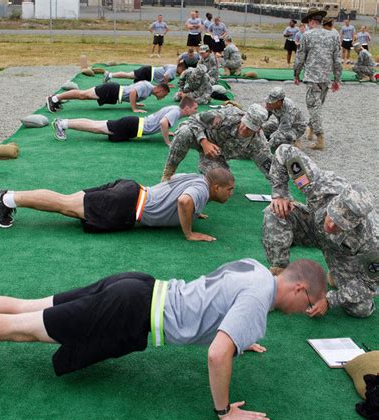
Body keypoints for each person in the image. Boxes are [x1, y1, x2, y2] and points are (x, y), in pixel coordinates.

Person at [0, 257, 327, 420]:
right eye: (310, 304)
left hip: (138, 285)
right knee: (24, 327)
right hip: (129, 313)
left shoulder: (256, 270)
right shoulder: (258, 301)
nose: (305, 311)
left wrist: (239, 336)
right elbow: (218, 352)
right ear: (300, 290)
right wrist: (223, 411)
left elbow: (218, 299)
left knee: (25, 306)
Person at [263, 144, 378, 318]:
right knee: (275, 212)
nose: (330, 226)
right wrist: (280, 193)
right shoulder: (318, 184)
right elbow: (285, 152)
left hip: (341, 254)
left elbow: (369, 285)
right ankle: (279, 278)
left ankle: (337, 276)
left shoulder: (372, 240)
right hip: (311, 226)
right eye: (331, 217)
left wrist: (331, 300)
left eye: (339, 225)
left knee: (361, 309)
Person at [0, 168, 235, 242]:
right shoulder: (201, 190)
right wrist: (189, 233)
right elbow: (183, 200)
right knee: (64, 204)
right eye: (229, 189)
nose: (231, 194)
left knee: (66, 201)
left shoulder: (198, 179)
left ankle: (9, 198)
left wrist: (195, 212)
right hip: (128, 204)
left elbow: (172, 181)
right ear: (216, 187)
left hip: (131, 190)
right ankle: (6, 198)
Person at [161, 104, 272, 182]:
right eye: (244, 124)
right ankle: (168, 174)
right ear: (243, 117)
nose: (244, 129)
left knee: (222, 181)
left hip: (216, 155)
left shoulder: (259, 143)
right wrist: (204, 142)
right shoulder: (227, 116)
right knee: (184, 132)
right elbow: (193, 120)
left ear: (258, 129)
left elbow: (271, 170)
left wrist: (280, 196)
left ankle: (204, 173)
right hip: (200, 137)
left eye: (249, 129)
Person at [51, 96, 198, 147]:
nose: (195, 111)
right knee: (95, 127)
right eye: (194, 108)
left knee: (96, 124)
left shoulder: (174, 109)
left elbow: (161, 121)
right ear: (187, 108)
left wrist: (166, 131)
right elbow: (163, 123)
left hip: (133, 124)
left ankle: (64, 123)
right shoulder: (176, 112)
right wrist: (167, 141)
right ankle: (62, 123)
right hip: (133, 125)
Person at [294, 8, 342, 150]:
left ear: (311, 21)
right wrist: (336, 79)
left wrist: (296, 75)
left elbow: (300, 58)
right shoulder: (333, 36)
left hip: (313, 78)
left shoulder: (307, 36)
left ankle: (320, 138)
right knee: (317, 106)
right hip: (325, 79)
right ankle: (311, 130)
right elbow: (337, 60)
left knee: (313, 107)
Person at [46, 81, 169, 114]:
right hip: (112, 91)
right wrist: (134, 109)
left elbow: (133, 93)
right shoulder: (147, 86)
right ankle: (54, 98)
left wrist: (136, 104)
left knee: (83, 96)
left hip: (114, 94)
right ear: (160, 89)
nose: (163, 97)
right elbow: (132, 92)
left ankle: (56, 99)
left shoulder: (148, 91)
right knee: (82, 94)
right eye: (165, 94)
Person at [262, 87, 307, 151]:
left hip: (296, 128)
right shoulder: (271, 104)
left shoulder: (288, 108)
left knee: (278, 138)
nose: (269, 103)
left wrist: (266, 147)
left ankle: (294, 142)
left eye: (272, 101)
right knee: (264, 128)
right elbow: (264, 116)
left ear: (279, 102)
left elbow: (283, 130)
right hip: (281, 122)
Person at [103, 64, 183, 85]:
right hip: (148, 72)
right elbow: (166, 75)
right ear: (180, 67)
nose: (183, 71)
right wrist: (165, 84)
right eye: (183, 69)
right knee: (129, 76)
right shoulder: (173, 69)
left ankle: (110, 75)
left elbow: (164, 66)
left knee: (129, 76)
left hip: (149, 71)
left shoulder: (173, 67)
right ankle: (109, 75)